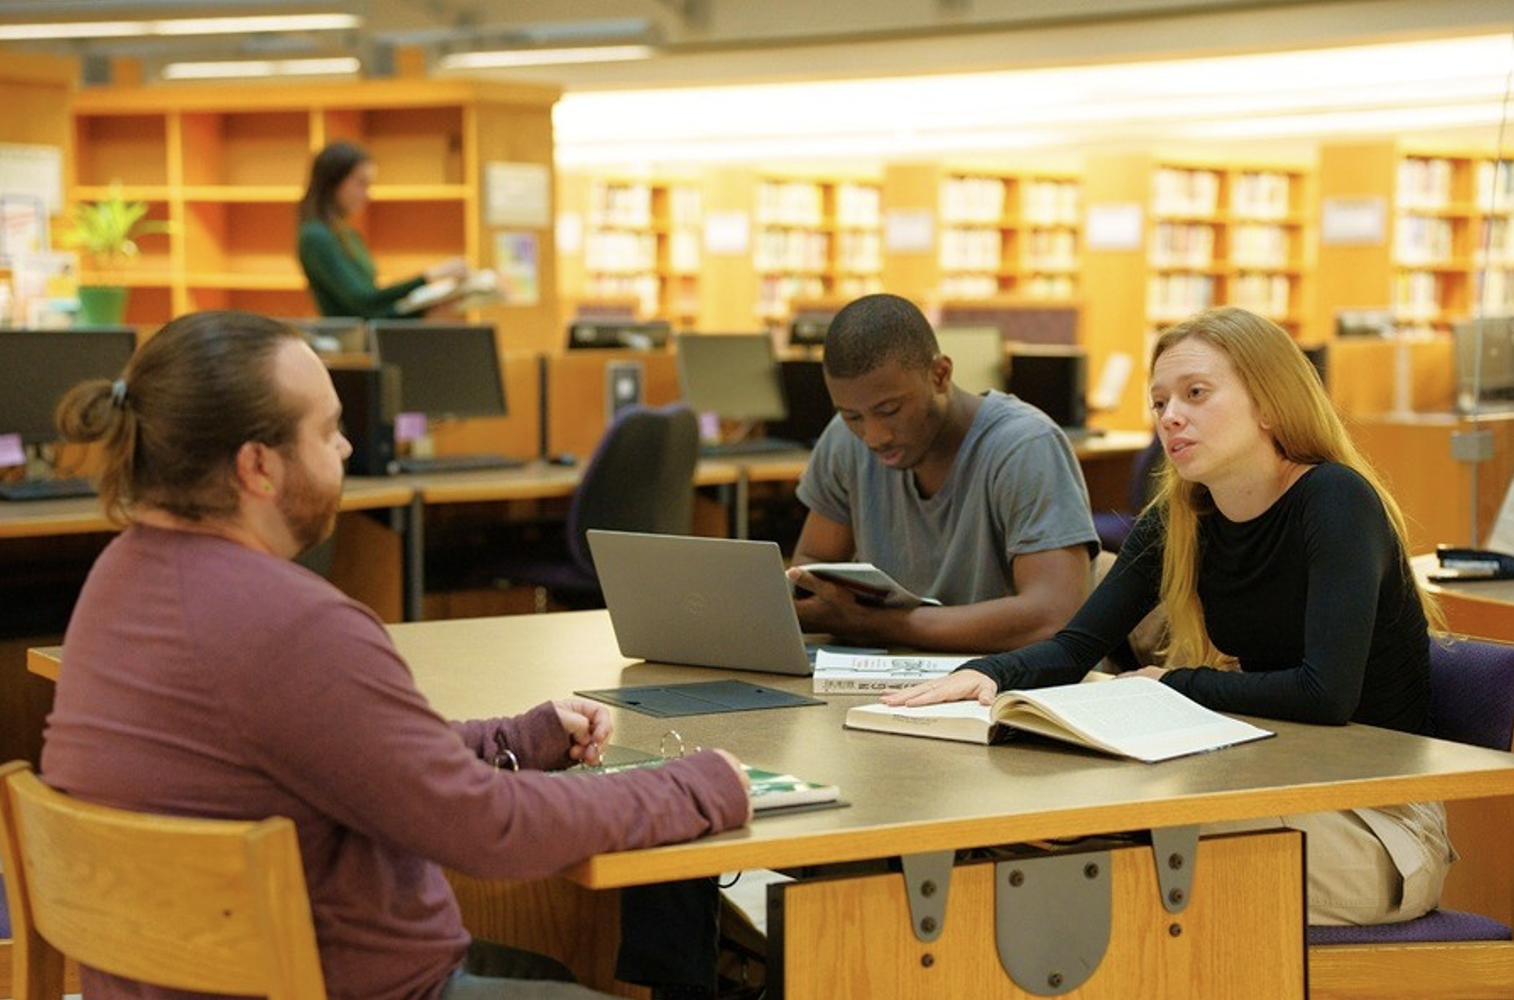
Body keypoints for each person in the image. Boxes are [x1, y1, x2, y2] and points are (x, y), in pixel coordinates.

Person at [42, 310, 752, 999]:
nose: (348, 449)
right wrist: (697, 786)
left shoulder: (119, 578)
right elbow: (489, 831)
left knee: (558, 974)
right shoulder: (297, 622)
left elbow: (348, 754)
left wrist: (513, 740)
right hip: (336, 984)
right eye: (328, 431)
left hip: (186, 977)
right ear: (257, 466)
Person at [887, 305, 1454, 926]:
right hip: (1272, 785)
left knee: (1118, 843)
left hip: (1376, 826)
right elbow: (1075, 646)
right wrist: (986, 676)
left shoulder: (1336, 501)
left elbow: (1326, 696)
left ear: (1269, 404)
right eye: (1159, 402)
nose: (1171, 416)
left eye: (1196, 393)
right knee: (1065, 828)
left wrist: (1171, 686)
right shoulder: (1183, 516)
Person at [787, 293, 1099, 653]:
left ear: (940, 374)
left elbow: (1054, 616)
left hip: (1006, 689)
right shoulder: (844, 440)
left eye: (889, 409)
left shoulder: (1025, 446)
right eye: (852, 416)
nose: (873, 436)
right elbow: (809, 571)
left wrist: (877, 625)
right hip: (893, 681)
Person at [297, 140, 470, 318]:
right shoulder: (316, 236)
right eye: (361, 183)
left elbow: (373, 307)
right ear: (333, 181)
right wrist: (429, 277)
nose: (367, 193)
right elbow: (363, 301)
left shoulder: (348, 234)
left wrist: (425, 309)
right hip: (350, 342)